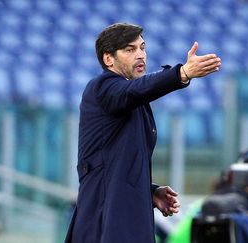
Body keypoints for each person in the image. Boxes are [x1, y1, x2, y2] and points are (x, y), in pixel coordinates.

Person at [64, 23, 222, 243]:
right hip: (103, 225)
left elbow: (113, 166)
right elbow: (134, 91)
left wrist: (149, 191)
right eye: (130, 50)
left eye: (142, 48)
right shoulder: (102, 88)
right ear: (108, 59)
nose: (140, 55)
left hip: (123, 219)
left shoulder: (132, 99)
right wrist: (182, 73)